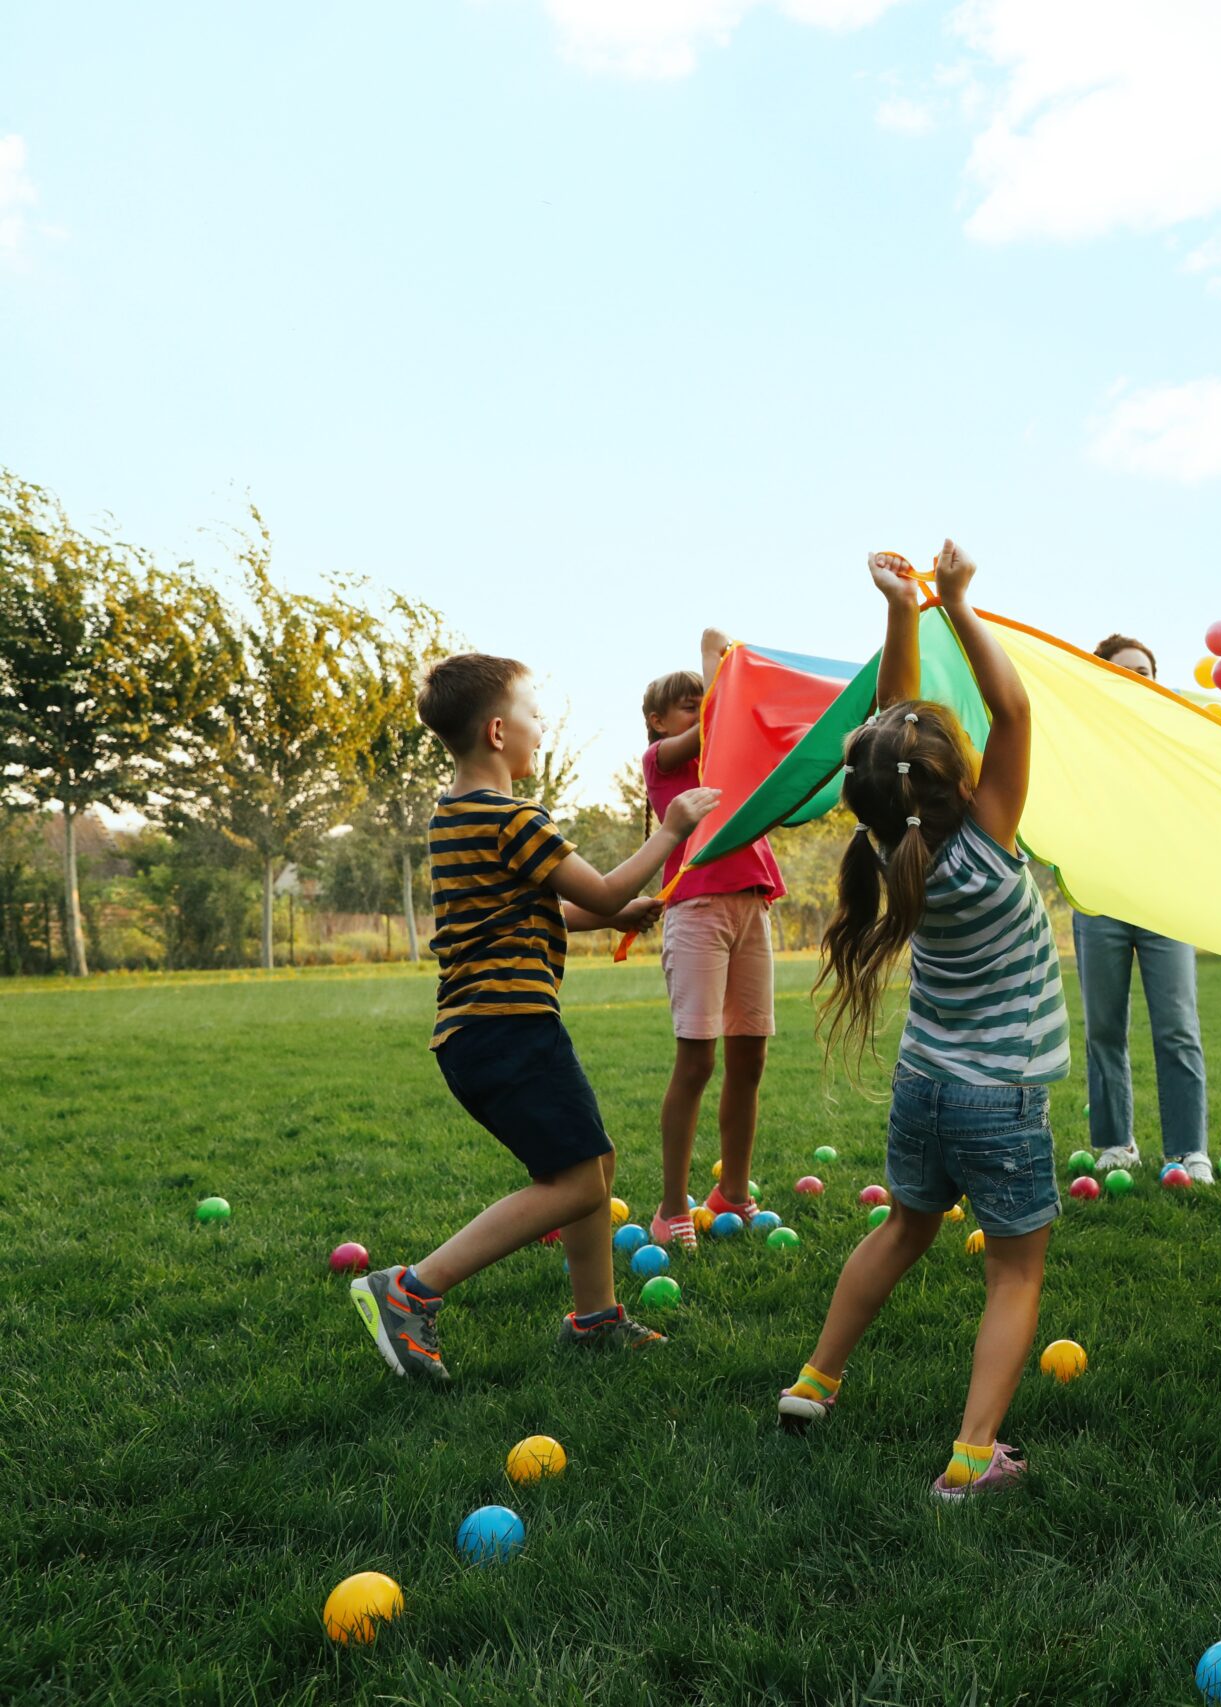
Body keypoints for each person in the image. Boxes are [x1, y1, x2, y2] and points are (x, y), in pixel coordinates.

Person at [775, 542, 1068, 1500]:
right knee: (1014, 1274)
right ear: (952, 781)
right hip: (1000, 1098)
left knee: (903, 1228)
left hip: (922, 1089)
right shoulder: (988, 844)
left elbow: (884, 736)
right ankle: (973, 1458)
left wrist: (905, 610)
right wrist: (958, 603)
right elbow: (1014, 709)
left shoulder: (885, 845)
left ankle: (815, 1382)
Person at [349, 652, 716, 1382]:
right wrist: (672, 828)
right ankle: (411, 1287)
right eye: (532, 715)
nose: (539, 729)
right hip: (509, 1025)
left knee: (593, 1162)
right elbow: (607, 890)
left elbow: (541, 909)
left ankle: (594, 1318)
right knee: (581, 1182)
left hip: (483, 1031)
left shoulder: (457, 818)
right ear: (495, 731)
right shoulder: (512, 818)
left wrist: (607, 913)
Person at [637, 630, 785, 1254]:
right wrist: (719, 670)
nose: (702, 706)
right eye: (687, 702)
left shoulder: (729, 754)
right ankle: (671, 1207)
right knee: (697, 1061)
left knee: (749, 1059)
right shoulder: (662, 762)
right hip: (696, 910)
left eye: (705, 697)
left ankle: (733, 1192)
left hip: (752, 905)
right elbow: (716, 703)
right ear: (656, 722)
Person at [1076, 632, 1213, 1185]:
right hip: (1100, 898)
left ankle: (1188, 1151)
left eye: (1147, 672)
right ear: (1103, 674)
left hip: (1164, 901)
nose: (1140, 678)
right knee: (1104, 1028)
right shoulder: (1081, 742)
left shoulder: (1173, 739)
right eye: (1127, 670)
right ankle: (1115, 1144)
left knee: (1177, 1027)